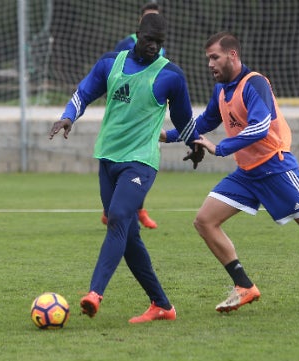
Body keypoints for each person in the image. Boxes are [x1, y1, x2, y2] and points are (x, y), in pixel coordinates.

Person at [162, 31, 299, 314]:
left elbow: (260, 126)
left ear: (233, 55)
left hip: (275, 167)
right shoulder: (221, 91)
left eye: (214, 57)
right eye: (207, 59)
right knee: (204, 221)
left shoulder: (255, 83)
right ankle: (244, 286)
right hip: (246, 174)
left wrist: (221, 148)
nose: (210, 64)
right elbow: (202, 122)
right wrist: (164, 135)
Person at [49, 13, 203, 324]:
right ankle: (162, 305)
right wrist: (68, 117)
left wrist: (194, 144)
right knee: (129, 237)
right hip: (108, 160)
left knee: (118, 217)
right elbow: (84, 93)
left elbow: (185, 121)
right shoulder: (111, 63)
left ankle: (95, 294)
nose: (154, 48)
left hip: (141, 162)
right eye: (149, 41)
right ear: (137, 36)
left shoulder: (171, 75)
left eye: (159, 44)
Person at [100, 1, 163, 229]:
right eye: (149, 16)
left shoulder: (159, 47)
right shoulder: (126, 44)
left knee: (144, 162)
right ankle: (113, 210)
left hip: (148, 116)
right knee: (124, 164)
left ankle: (138, 210)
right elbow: (115, 74)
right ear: (140, 22)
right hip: (126, 117)